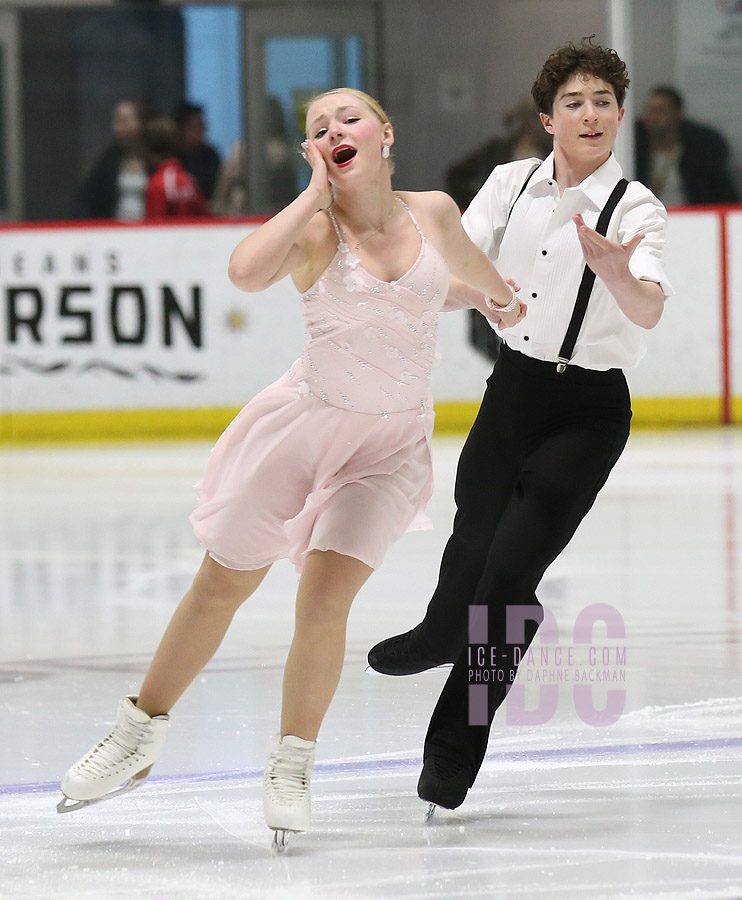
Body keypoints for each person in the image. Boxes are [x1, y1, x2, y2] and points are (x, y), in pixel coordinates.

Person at [57, 88, 524, 844]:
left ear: (384, 133)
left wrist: (495, 300)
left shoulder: (433, 209)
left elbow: (443, 282)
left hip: (389, 448)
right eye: (317, 128)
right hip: (303, 431)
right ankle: (140, 731)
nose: (333, 130)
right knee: (221, 584)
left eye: (348, 118)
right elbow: (245, 273)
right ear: (311, 151)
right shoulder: (314, 230)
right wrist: (311, 194)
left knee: (323, 597)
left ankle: (292, 760)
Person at [368, 38, 673, 813]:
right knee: (472, 542)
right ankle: (442, 628)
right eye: (574, 101)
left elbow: (649, 307)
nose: (591, 113)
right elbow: (456, 271)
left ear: (620, 113)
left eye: (604, 100)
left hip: (590, 410)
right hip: (513, 393)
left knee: (507, 584)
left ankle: (453, 750)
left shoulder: (635, 208)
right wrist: (465, 291)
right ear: (547, 118)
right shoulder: (510, 185)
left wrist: (616, 274)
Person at [445, 96, 554, 363]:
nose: (533, 125)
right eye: (528, 118)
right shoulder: (497, 149)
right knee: (488, 290)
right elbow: (455, 175)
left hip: (538, 231)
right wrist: (477, 203)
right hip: (499, 232)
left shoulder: (553, 151)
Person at [635, 86, 739, 205]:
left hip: (691, 217)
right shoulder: (636, 150)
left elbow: (718, 193)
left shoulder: (701, 152)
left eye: (660, 110)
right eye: (649, 110)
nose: (653, 117)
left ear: (678, 113)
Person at [77, 99, 149, 220]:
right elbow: (92, 199)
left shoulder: (154, 158)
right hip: (115, 231)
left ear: (140, 123)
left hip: (151, 231)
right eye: (116, 121)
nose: (117, 128)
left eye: (124, 121)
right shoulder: (109, 160)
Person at [142, 116, 210, 218]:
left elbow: (154, 228)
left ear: (148, 150)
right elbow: (205, 215)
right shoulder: (187, 179)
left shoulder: (157, 184)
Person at [173, 101, 222, 202]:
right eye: (198, 126)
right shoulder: (169, 157)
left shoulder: (209, 156)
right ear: (182, 128)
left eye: (203, 125)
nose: (203, 130)